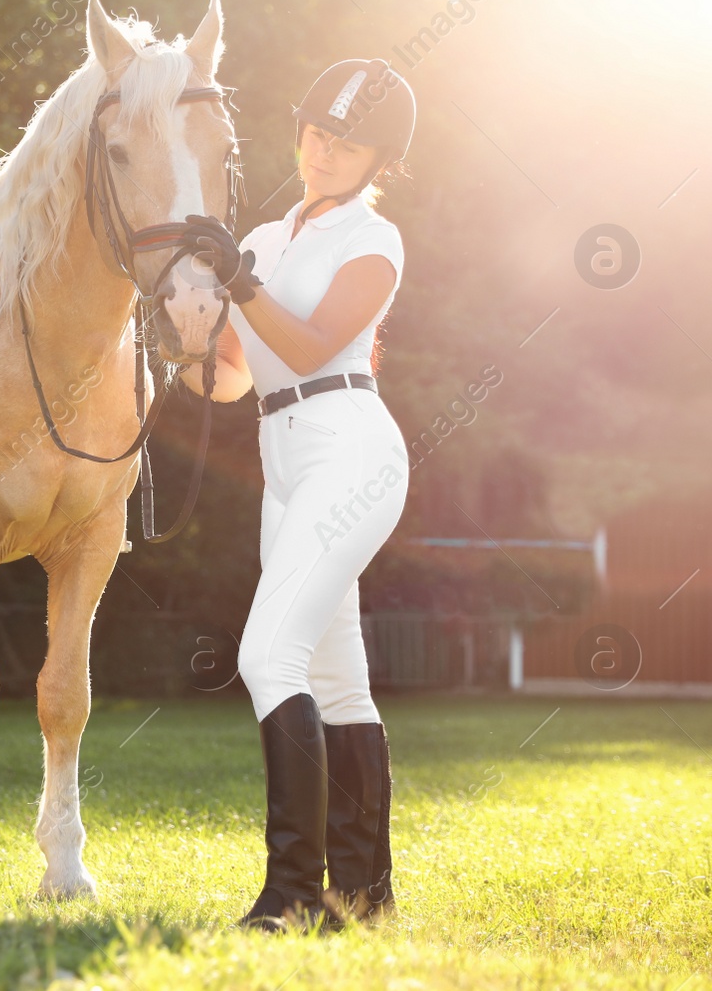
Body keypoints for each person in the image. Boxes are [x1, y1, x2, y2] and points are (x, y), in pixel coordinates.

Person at [180, 57, 416, 933]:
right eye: (317, 131)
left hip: (351, 447)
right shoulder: (267, 241)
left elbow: (315, 348)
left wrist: (237, 283)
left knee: (266, 654)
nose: (323, 151)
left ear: (376, 160)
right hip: (283, 454)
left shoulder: (373, 240)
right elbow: (240, 378)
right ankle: (364, 896)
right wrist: (187, 345)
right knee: (335, 678)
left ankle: (294, 894)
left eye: (346, 143)